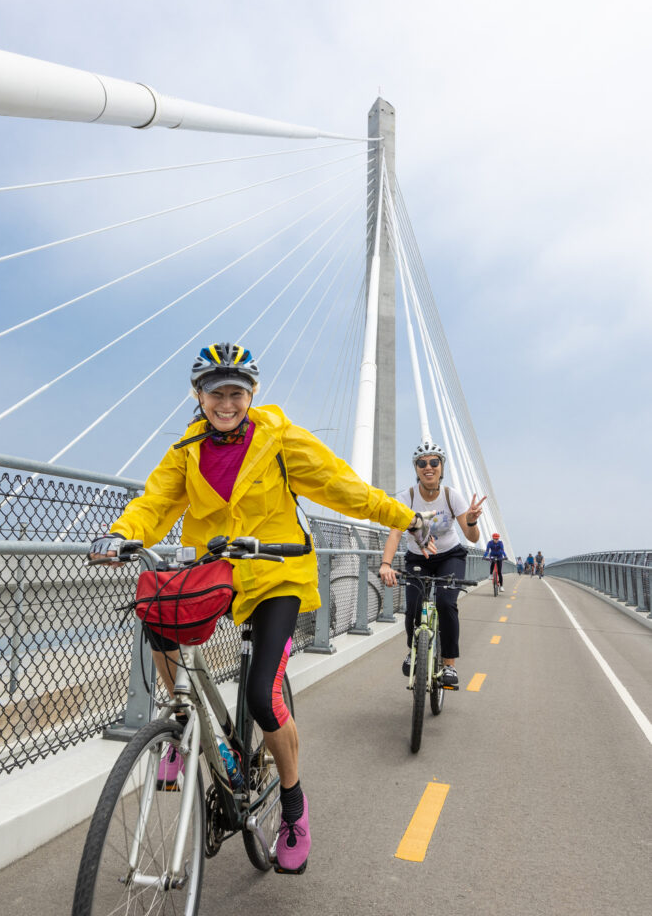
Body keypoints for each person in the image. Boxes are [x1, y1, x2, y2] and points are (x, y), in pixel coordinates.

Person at [89, 341, 430, 874]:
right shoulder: (187, 449)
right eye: (215, 392)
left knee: (262, 695)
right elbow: (154, 502)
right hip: (218, 572)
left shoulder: (280, 439)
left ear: (251, 395)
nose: (226, 402)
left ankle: (293, 806)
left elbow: (342, 486)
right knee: (158, 613)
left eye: (236, 392)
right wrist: (120, 534)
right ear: (197, 395)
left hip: (277, 574)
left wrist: (404, 516)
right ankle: (182, 718)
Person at [378, 440, 486, 691]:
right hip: (418, 558)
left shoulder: (451, 496)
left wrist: (470, 522)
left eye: (434, 462)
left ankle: (449, 664)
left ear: (441, 467)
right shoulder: (407, 498)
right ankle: (413, 650)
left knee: (446, 603)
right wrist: (385, 564)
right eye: (422, 463)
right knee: (413, 607)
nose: (428, 467)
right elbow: (395, 533)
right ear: (416, 468)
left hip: (450, 555)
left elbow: (472, 538)